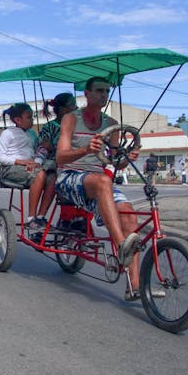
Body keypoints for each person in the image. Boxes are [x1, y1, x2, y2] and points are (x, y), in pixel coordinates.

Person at [56, 76, 155, 301]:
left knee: (129, 215)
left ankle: (134, 286)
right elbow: (60, 156)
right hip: (70, 177)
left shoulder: (111, 124)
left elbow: (113, 161)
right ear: (87, 94)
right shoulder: (71, 119)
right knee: (103, 182)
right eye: (99, 90)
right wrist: (85, 150)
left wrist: (126, 158)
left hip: (99, 181)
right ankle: (121, 246)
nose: (104, 95)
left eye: (107, 91)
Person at [0, 103, 55, 231]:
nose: (32, 120)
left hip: (32, 166)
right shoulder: (8, 133)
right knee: (40, 174)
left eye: (32, 117)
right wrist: (21, 162)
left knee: (53, 178)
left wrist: (40, 156)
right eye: (29, 117)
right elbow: (0, 157)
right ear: (18, 120)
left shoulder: (32, 134)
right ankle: (31, 219)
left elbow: (39, 149)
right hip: (11, 168)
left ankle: (41, 216)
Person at [34, 92, 77, 220]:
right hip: (53, 165)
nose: (76, 109)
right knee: (54, 179)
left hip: (75, 163)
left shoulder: (77, 126)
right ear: (64, 109)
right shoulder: (51, 127)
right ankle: (40, 217)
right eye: (73, 106)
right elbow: (43, 146)